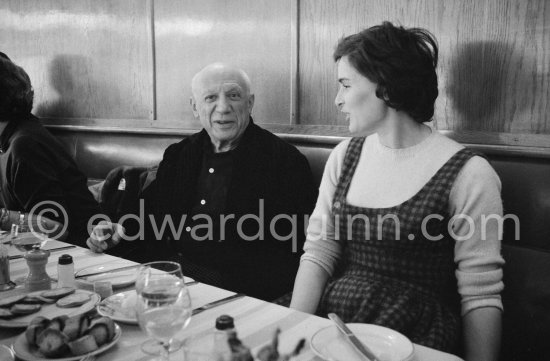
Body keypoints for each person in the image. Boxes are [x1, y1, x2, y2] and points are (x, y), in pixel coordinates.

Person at [289, 22, 504, 361]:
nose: (338, 100)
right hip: (335, 326)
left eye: (345, 85)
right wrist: (295, 333)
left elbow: (480, 291)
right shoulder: (345, 156)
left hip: (414, 334)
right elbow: (319, 253)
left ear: (387, 88)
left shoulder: (470, 172)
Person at [87, 63, 317, 301]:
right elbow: (148, 217)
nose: (223, 108)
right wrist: (117, 231)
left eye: (234, 96)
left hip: (237, 288)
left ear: (250, 103)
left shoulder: (284, 162)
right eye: (210, 98)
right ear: (195, 107)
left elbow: (296, 248)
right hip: (168, 274)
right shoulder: (179, 154)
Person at [0, 52, 101, 244]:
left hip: (82, 254)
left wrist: (3, 218)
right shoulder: (11, 139)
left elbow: (56, 228)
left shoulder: (25, 145)